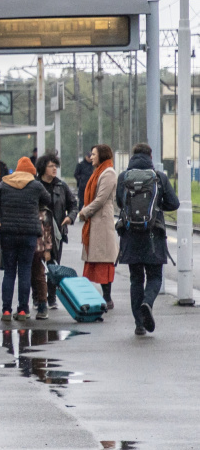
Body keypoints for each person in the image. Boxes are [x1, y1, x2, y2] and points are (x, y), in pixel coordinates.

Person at [116, 143, 178, 335]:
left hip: (130, 236)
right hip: (153, 236)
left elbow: (120, 202)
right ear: (150, 157)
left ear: (133, 156)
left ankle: (139, 325)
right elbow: (173, 203)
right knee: (155, 277)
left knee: (136, 279)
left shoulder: (123, 177)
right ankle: (147, 303)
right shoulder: (159, 177)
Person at [0, 156, 51, 322]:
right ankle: (23, 310)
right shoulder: (36, 186)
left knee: (9, 272)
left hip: (8, 233)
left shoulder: (3, 185)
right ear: (31, 172)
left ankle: (6, 311)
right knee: (24, 271)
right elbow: (48, 201)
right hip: (29, 234)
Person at [77, 144, 119, 309]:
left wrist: (84, 212)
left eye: (94, 154)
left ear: (101, 155)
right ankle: (105, 298)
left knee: (103, 260)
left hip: (101, 223)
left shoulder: (108, 173)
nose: (91, 156)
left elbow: (101, 199)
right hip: (95, 222)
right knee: (96, 260)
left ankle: (107, 298)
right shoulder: (100, 172)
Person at [35, 152, 78, 309]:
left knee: (54, 265)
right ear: (43, 168)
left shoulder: (61, 186)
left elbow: (73, 204)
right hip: (39, 231)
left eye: (55, 166)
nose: (54, 169)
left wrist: (70, 217)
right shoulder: (35, 185)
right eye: (51, 166)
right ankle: (38, 297)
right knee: (38, 265)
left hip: (57, 233)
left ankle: (51, 297)